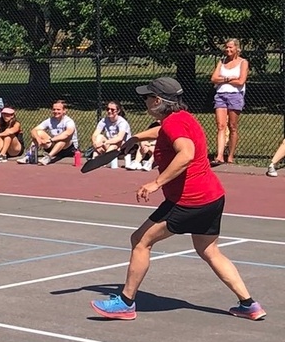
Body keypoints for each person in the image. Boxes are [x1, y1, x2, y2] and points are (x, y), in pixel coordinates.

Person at [91, 77, 265, 322]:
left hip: (189, 200)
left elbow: (186, 154)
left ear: (158, 101)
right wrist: (136, 138)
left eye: (147, 97)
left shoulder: (174, 124)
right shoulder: (182, 118)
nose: (145, 101)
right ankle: (249, 305)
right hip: (212, 197)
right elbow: (163, 130)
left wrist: (156, 183)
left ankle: (125, 303)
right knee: (209, 250)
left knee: (140, 240)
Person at [210, 38, 248, 166]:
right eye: (226, 47)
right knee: (221, 126)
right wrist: (228, 78)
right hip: (220, 95)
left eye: (231, 47)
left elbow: (240, 81)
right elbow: (214, 78)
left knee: (232, 126)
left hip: (235, 96)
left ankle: (230, 155)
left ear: (237, 48)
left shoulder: (243, 62)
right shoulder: (222, 62)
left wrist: (224, 79)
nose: (228, 50)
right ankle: (219, 155)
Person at [28, 100, 78, 165]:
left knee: (64, 139)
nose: (56, 111)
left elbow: (67, 134)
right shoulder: (50, 120)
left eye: (58, 109)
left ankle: (48, 157)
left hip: (68, 149)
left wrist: (50, 140)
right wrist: (39, 140)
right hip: (54, 146)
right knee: (38, 132)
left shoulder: (69, 121)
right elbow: (33, 130)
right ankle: (30, 156)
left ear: (64, 111)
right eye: (54, 109)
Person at [90, 101, 132, 168]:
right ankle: (94, 159)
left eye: (112, 110)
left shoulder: (122, 122)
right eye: (107, 109)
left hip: (122, 146)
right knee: (99, 137)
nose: (109, 111)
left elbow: (119, 138)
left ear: (118, 111)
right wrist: (95, 143)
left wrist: (105, 142)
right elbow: (95, 134)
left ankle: (103, 160)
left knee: (114, 144)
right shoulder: (104, 120)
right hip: (108, 144)